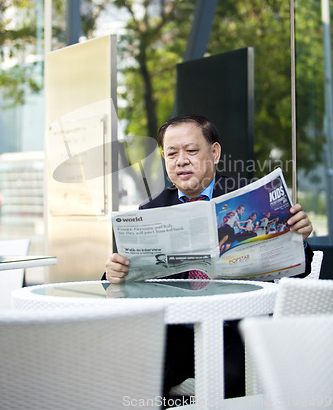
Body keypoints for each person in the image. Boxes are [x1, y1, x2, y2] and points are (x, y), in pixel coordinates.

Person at [103, 114, 313, 400]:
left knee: (233, 379)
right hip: (175, 331)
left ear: (214, 153)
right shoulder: (151, 210)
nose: (181, 161)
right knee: (135, 378)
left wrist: (298, 240)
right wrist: (114, 273)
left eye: (191, 151)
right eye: (172, 154)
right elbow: (116, 286)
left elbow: (297, 273)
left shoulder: (251, 196)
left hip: (237, 329)